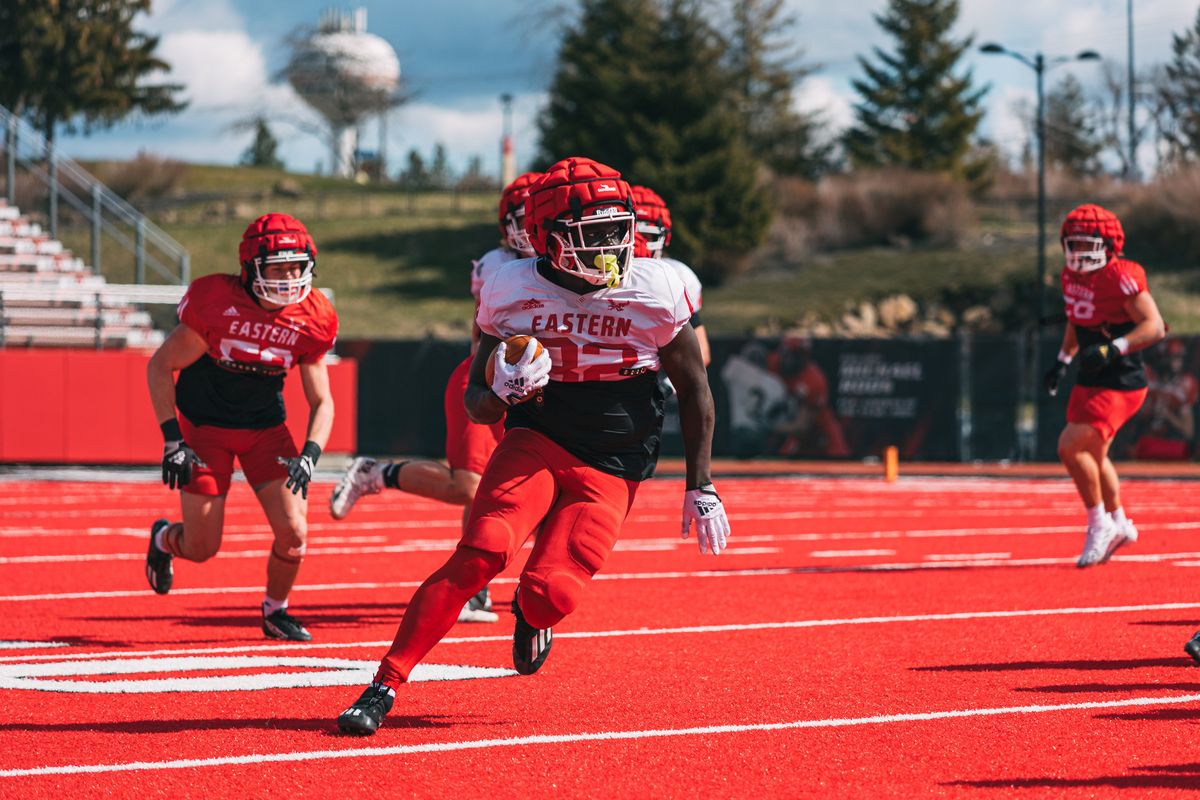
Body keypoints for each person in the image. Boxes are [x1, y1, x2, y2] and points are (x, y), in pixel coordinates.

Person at [335, 156, 730, 735]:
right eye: (592, 235)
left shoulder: (657, 286)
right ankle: (384, 682)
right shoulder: (511, 286)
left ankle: (529, 612)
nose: (611, 248)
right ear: (547, 239)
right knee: (483, 550)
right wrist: (502, 388)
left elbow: (696, 390)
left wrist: (702, 486)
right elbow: (476, 402)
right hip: (539, 434)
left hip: (615, 459)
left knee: (553, 595)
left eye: (617, 230)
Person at [328, 172, 543, 624]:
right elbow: (482, 329)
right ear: (505, 225)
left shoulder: (560, 262)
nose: (529, 227)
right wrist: (486, 387)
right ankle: (377, 472)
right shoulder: (496, 264)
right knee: (470, 485)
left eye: (538, 216)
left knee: (513, 486)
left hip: (534, 384)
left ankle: (475, 587)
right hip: (489, 378)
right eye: (521, 218)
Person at [145, 213, 338, 641]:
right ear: (251, 268)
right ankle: (163, 540)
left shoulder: (312, 316)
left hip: (266, 431)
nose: (288, 278)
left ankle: (275, 610)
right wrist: (172, 439)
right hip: (206, 429)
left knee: (294, 535)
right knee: (202, 548)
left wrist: (310, 455)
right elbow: (161, 367)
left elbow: (323, 400)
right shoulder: (217, 302)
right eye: (277, 267)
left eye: (295, 266)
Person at [1043, 204, 1165, 568]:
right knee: (1094, 456)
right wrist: (1062, 361)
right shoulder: (1070, 276)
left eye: (1087, 244)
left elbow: (1155, 326)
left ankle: (1099, 523)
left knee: (1069, 447)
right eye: (1073, 245)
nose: (1079, 253)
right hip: (1090, 375)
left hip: (1121, 378)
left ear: (1109, 244)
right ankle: (1120, 522)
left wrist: (1115, 347)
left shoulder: (1120, 276)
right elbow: (1076, 319)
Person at [1132, 338, 1196, 460]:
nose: (1175, 362)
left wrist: (1168, 415)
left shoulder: (1186, 383)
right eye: (1172, 357)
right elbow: (1137, 416)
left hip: (1174, 442)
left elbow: (1188, 430)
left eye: (1178, 358)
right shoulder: (1148, 376)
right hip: (1146, 439)